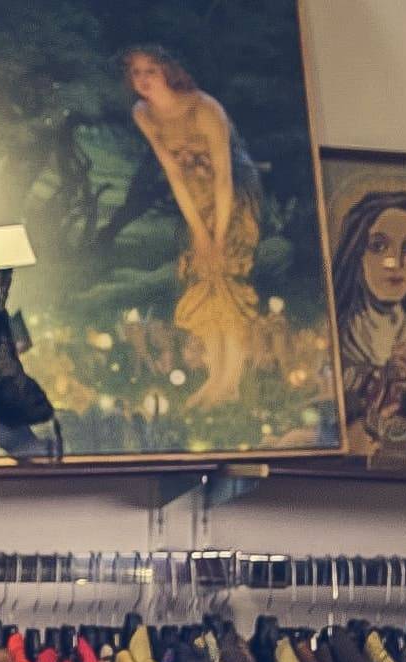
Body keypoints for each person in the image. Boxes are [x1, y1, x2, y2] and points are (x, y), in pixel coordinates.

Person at [122, 44, 263, 409]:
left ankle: (231, 379)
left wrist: (218, 236)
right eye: (136, 73)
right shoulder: (144, 113)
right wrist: (199, 232)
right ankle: (216, 378)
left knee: (227, 283)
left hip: (232, 200)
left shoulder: (204, 109)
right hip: (195, 203)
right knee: (204, 285)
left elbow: (224, 179)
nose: (143, 80)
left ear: (167, 70)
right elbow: (173, 172)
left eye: (149, 71)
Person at [330, 190, 406, 437]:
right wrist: (379, 377)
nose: (396, 262)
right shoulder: (333, 331)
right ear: (357, 254)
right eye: (379, 246)